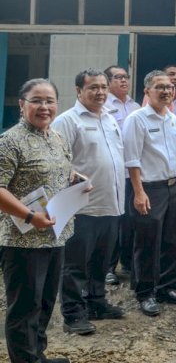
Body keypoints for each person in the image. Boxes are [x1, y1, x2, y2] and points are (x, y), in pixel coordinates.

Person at [0, 79, 73, 363]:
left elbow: (59, 172)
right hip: (23, 239)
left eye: (50, 101)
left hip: (55, 234)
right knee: (24, 309)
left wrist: (75, 179)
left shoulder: (56, 138)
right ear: (22, 104)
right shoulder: (10, 141)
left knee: (44, 304)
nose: (45, 107)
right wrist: (30, 215)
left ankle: (37, 356)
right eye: (37, 100)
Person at [51, 69, 126, 336]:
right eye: (93, 87)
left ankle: (97, 303)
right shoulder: (67, 121)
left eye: (104, 87)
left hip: (111, 205)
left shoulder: (110, 118)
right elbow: (57, 164)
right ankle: (73, 314)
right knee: (75, 265)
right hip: (81, 208)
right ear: (79, 91)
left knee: (102, 262)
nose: (100, 92)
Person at [123, 70, 176, 316]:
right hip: (149, 189)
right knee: (148, 241)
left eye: (169, 87)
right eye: (160, 87)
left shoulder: (171, 119)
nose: (166, 91)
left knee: (172, 240)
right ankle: (145, 293)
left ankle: (167, 287)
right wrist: (138, 192)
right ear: (147, 91)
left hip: (173, 187)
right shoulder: (137, 119)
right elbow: (131, 159)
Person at [104, 65, 140, 284]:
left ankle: (127, 262)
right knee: (113, 220)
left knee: (130, 220)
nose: (123, 81)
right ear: (108, 82)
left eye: (126, 77)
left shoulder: (135, 106)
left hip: (133, 173)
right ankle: (108, 266)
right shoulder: (104, 106)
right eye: (118, 77)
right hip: (112, 172)